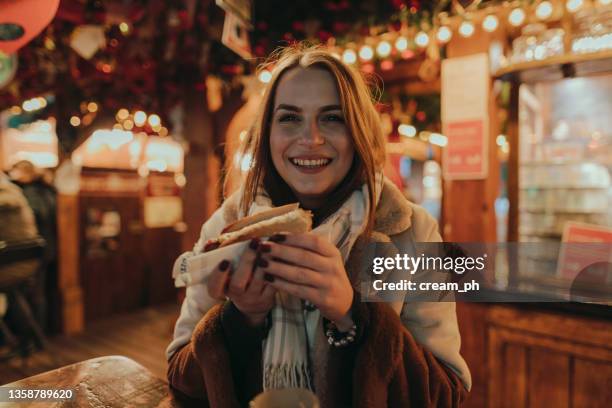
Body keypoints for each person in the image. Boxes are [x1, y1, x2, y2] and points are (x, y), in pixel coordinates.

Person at [166, 44, 471, 407]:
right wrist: (239, 320)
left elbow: (447, 393)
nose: (310, 139)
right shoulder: (227, 227)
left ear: (358, 131)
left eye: (332, 118)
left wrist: (354, 317)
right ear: (267, 134)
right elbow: (180, 380)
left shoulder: (412, 231)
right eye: (289, 118)